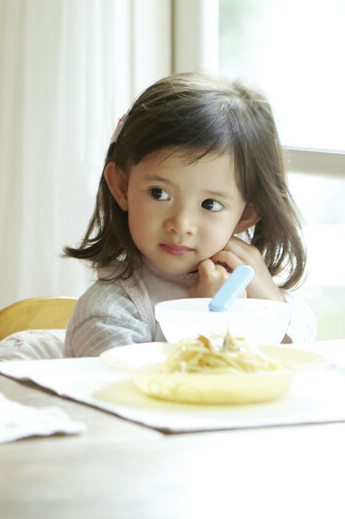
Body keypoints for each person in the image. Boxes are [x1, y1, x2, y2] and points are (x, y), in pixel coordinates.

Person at [63, 72, 315, 358]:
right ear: (122, 187)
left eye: (210, 204)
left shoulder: (246, 281)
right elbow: (138, 395)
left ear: (248, 213)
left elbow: (298, 361)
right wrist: (207, 323)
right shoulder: (111, 311)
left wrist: (270, 302)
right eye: (159, 193)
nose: (180, 225)